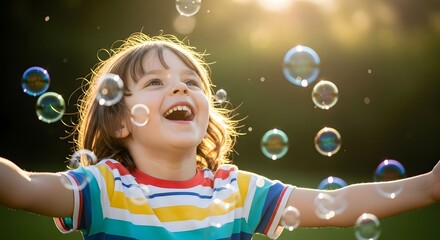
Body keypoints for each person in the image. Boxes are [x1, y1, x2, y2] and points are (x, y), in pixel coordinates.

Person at [0, 32, 439, 240]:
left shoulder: (236, 191)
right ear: (120, 123)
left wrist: (428, 185)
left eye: (192, 82)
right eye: (154, 83)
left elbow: (341, 206)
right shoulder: (102, 189)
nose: (179, 88)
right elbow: (19, 187)